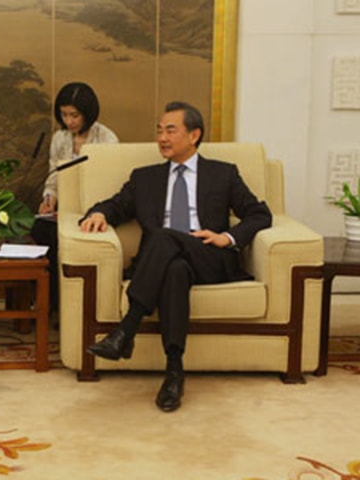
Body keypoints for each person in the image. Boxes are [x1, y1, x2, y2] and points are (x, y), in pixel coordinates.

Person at [81, 101, 271, 412]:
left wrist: (226, 237)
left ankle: (126, 330)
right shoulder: (145, 178)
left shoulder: (222, 174)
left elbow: (259, 214)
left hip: (209, 255)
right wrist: (99, 212)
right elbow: (116, 205)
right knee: (175, 269)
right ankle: (174, 372)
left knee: (164, 236)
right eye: (159, 130)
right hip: (166, 262)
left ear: (194, 135)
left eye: (171, 130)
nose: (162, 138)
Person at [32, 82, 118, 314]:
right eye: (64, 114)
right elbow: (53, 177)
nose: (69, 121)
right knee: (42, 229)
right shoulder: (60, 138)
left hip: (94, 210)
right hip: (63, 210)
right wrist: (49, 198)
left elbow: (111, 184)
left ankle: (73, 308)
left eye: (75, 115)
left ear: (88, 114)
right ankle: (49, 304)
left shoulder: (106, 138)